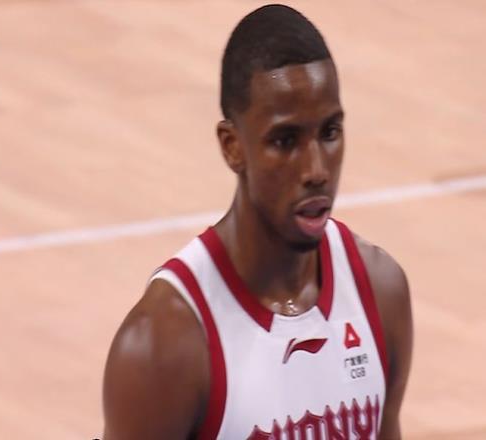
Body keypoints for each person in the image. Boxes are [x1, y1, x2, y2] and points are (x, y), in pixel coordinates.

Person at [102, 4, 413, 439]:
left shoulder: (380, 291)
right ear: (232, 146)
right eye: (285, 140)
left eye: (329, 133)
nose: (316, 169)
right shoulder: (165, 344)